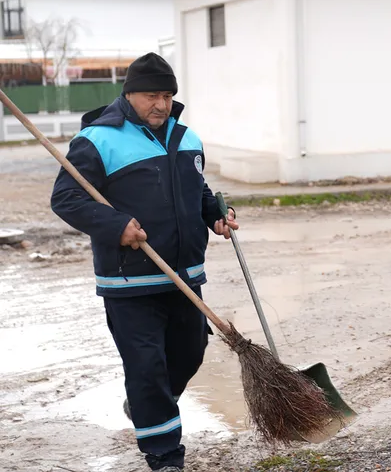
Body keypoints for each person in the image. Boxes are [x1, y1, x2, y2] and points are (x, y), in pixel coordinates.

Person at [51, 52, 239, 471]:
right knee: (147, 367)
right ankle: (165, 456)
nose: (161, 104)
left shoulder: (187, 138)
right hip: (129, 282)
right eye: (152, 95)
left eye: (168, 95)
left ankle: (144, 404)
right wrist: (115, 226)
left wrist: (214, 214)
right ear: (129, 94)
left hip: (185, 277)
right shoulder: (97, 140)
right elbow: (65, 198)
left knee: (190, 354)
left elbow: (198, 190)